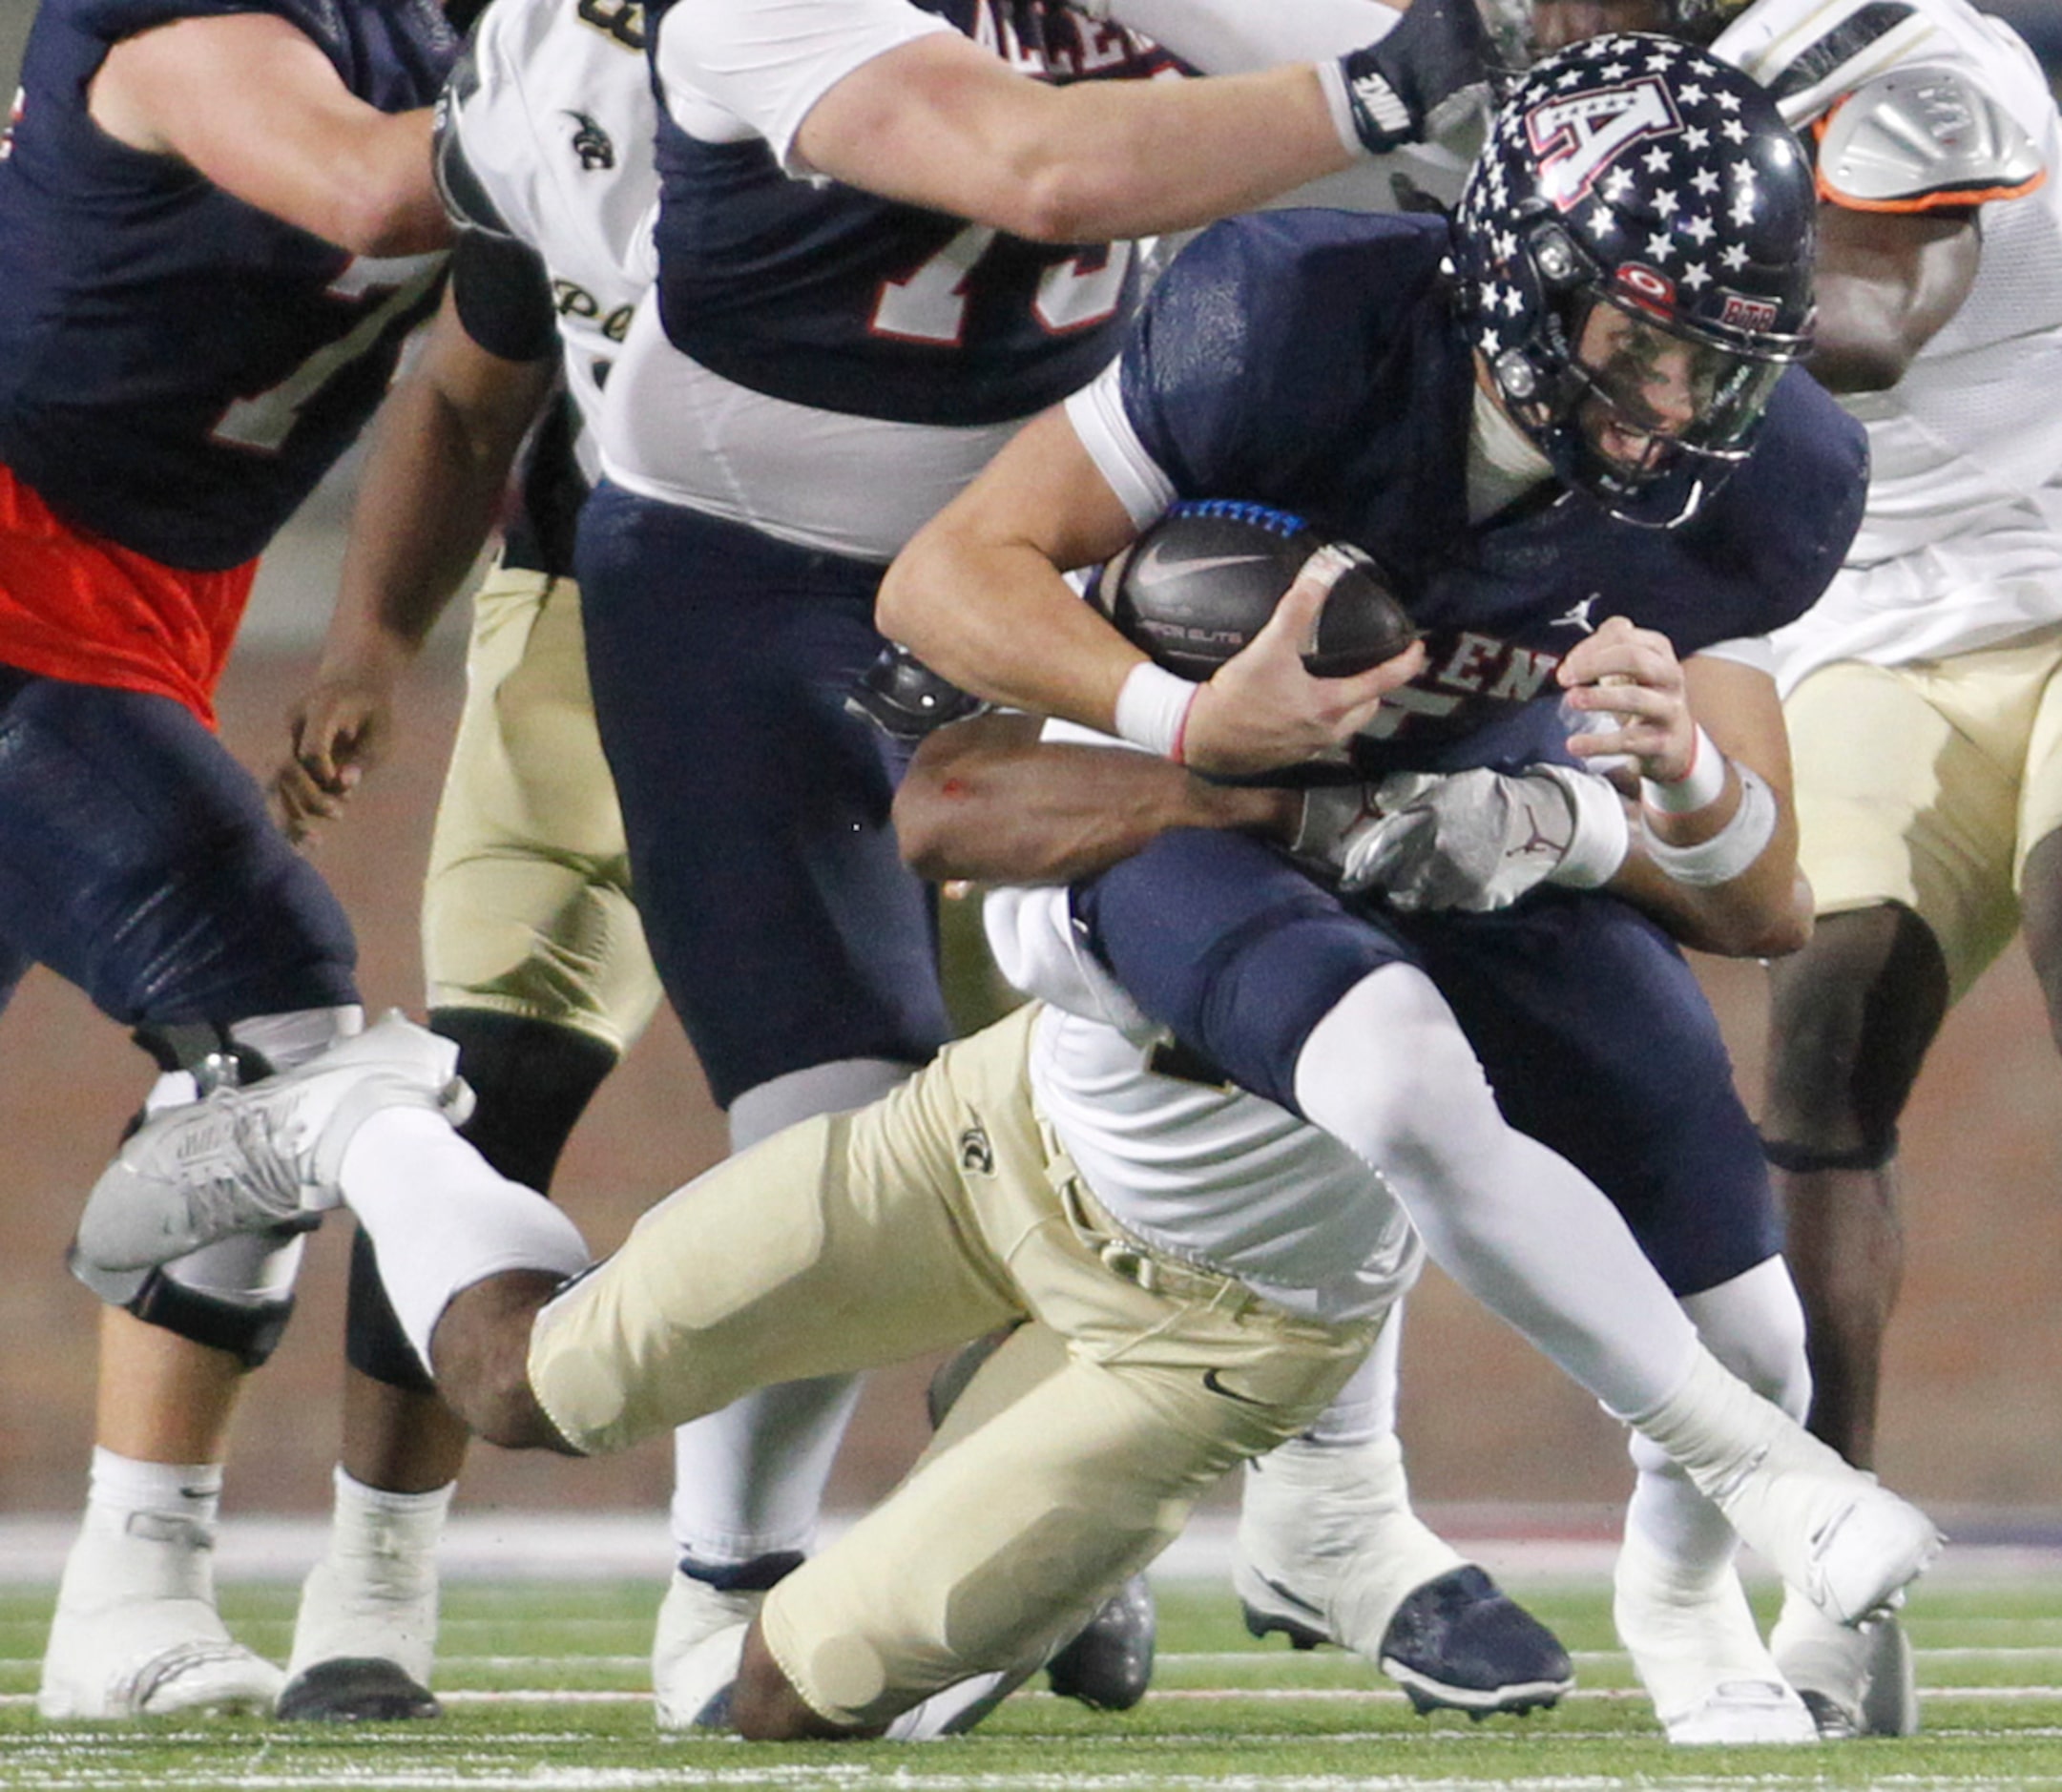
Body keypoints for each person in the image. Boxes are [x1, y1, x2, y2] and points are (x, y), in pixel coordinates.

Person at [259, 0, 1522, 1727]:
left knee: (1252, 1029)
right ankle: (727, 1570)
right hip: (752, 581)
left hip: (1054, 563)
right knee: (834, 1131)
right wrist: (1399, 80)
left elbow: (1450, 99)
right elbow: (1049, 172)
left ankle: (1313, 1504)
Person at [879, 29, 1941, 1744]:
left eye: (1719, 368)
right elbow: (940, 582)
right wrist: (1184, 713)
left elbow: (1759, 909)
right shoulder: (1291, 321)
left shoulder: (1773, 483)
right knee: (1386, 1066)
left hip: (1457, 833)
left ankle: (1676, 1600)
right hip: (1194, 815)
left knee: (1755, 1327)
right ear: (1523, 284)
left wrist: (1646, 790)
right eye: (1642, 347)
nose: (1679, 411)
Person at [66, 939, 1936, 1747]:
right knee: (520, 1385)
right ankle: (363, 1123)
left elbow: (1747, 889)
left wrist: (1639, 788)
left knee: (758, 1711)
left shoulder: (1528, 768)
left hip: (1210, 1335)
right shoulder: (1209, 643)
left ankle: (1095, 1558)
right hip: (984, 1140)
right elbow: (983, 794)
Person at [1519, 0, 2056, 1739]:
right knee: (1820, 1033)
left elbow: (1885, 322)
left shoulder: (1909, 44)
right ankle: (1845, 1571)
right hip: (1870, 630)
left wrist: (1612, 281)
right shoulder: (1596, 95)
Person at [0, 0, 474, 1720]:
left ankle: (133, 1582)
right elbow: (356, 188)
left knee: (263, 1033)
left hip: (125, 608)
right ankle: (133, 1586)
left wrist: (367, 644)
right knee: (268, 1018)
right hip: (20, 579)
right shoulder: (198, 20)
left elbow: (494, 368)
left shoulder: (470, 40)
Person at [260, 0, 667, 1722]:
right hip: (605, 609)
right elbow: (469, 389)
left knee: (995, 1093)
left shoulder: (1006, 92)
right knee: (481, 1079)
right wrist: (366, 639)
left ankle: (1010, 1535)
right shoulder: (601, 95)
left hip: (915, 650)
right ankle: (373, 1568)